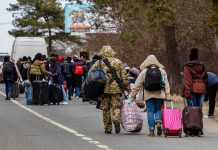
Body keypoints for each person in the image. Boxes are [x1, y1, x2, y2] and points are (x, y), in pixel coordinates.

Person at [90, 46, 130, 134]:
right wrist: (128, 89)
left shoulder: (98, 62)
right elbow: (124, 77)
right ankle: (116, 119)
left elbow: (91, 75)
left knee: (105, 108)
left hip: (103, 88)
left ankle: (108, 128)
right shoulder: (118, 62)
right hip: (116, 88)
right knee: (116, 106)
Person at [129, 55, 170, 137]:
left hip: (148, 94)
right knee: (158, 109)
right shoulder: (162, 71)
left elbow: (137, 85)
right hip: (159, 94)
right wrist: (168, 95)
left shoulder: (144, 72)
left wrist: (132, 96)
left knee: (150, 111)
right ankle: (158, 122)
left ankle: (151, 131)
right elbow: (166, 84)